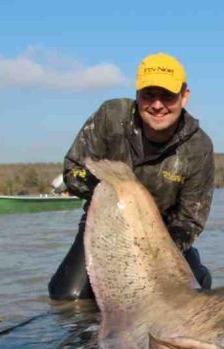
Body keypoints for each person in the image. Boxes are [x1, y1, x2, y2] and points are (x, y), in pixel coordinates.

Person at [48, 52, 214, 300]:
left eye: (168, 96)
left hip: (163, 236)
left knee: (190, 294)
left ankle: (197, 267)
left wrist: (155, 251)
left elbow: (190, 220)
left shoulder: (199, 147)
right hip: (104, 224)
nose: (157, 105)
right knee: (69, 298)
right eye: (149, 95)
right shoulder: (111, 116)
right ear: (137, 94)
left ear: (184, 96)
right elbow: (73, 171)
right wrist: (116, 191)